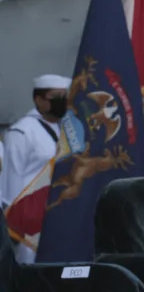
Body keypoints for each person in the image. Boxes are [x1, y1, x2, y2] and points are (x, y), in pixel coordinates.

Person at [1, 74, 70, 262]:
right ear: (39, 99)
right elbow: (11, 184)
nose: (61, 103)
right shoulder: (22, 132)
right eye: (56, 98)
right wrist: (14, 225)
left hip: (59, 212)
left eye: (65, 98)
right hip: (30, 220)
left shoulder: (68, 129)